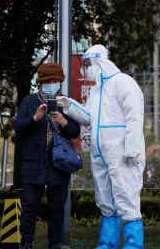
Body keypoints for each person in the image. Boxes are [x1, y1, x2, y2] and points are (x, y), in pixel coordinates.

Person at [58, 44, 145, 249]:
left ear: (98, 61)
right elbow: (89, 117)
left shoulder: (124, 83)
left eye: (87, 64)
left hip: (122, 153)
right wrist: (69, 105)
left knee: (126, 195)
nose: (85, 70)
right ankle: (108, 243)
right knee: (105, 198)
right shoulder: (97, 91)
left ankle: (133, 244)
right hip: (100, 153)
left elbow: (135, 117)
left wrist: (132, 148)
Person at [14, 62, 81, 249]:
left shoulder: (67, 103)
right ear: (41, 82)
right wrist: (34, 118)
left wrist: (63, 121)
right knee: (29, 207)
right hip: (33, 164)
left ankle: (55, 244)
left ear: (60, 82)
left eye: (56, 80)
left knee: (57, 209)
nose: (52, 84)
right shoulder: (29, 102)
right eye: (48, 81)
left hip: (59, 165)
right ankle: (26, 243)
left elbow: (75, 131)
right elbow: (18, 128)